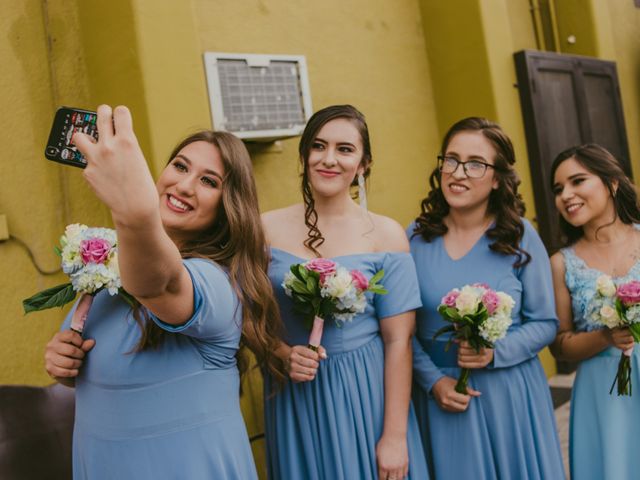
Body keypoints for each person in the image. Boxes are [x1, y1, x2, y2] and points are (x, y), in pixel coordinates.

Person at [43, 105, 285, 479]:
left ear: (229, 206)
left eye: (209, 181)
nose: (185, 185)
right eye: (180, 166)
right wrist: (64, 361)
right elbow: (92, 361)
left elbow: (159, 283)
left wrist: (132, 210)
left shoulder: (218, 285)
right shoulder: (109, 267)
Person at [262, 105, 429, 479]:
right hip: (293, 395)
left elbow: (398, 341)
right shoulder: (264, 229)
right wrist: (280, 353)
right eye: (318, 146)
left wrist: (395, 436)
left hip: (364, 394)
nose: (329, 159)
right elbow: (245, 316)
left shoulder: (386, 235)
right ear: (304, 155)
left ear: (364, 164)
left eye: (345, 149)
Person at [409, 117, 564, 479]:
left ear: (497, 179)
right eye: (451, 159)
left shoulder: (520, 236)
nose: (458, 172)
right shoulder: (415, 238)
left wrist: (496, 352)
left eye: (475, 163)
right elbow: (401, 331)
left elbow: (545, 323)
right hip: (442, 399)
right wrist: (432, 381)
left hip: (509, 392)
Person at [549, 144, 640, 480]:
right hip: (602, 392)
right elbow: (559, 345)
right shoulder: (561, 264)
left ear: (612, 183)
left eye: (577, 181)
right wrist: (605, 336)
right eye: (558, 189)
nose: (566, 195)